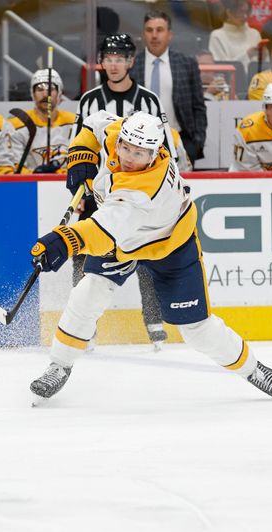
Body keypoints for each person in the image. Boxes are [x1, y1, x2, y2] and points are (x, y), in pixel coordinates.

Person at [27, 110, 272, 403]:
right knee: (88, 293)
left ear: (154, 153)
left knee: (197, 331)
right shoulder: (121, 134)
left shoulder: (145, 189)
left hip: (169, 244)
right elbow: (93, 122)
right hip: (124, 239)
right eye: (126, 146)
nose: (128, 156)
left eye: (138, 153)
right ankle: (59, 365)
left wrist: (62, 241)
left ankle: (253, 369)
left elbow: (102, 232)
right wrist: (81, 153)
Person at [77, 33, 192, 350]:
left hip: (140, 193)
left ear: (130, 62)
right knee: (88, 255)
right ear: (102, 62)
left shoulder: (149, 100)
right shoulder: (89, 100)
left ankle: (154, 324)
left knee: (145, 252)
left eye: (120, 58)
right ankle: (86, 329)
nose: (114, 64)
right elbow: (82, 143)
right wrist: (80, 174)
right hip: (100, 193)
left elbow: (166, 147)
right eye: (108, 58)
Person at [130, 11, 207, 165]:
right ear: (143, 34)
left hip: (179, 140)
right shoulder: (132, 65)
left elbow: (198, 106)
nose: (154, 35)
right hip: (139, 143)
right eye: (149, 30)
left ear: (169, 34)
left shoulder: (186, 63)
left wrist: (196, 143)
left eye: (159, 30)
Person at [8, 68, 77, 174]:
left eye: (51, 89)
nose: (45, 94)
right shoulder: (17, 125)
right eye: (40, 89)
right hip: (30, 186)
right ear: (32, 94)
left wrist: (58, 173)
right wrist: (35, 175)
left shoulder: (74, 123)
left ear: (59, 93)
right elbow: (13, 167)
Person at [209, 0, 265, 72]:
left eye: (247, 12)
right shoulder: (217, 36)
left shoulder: (255, 34)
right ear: (229, 12)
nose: (245, 16)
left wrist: (264, 57)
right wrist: (247, 55)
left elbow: (262, 66)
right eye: (241, 12)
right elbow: (222, 68)